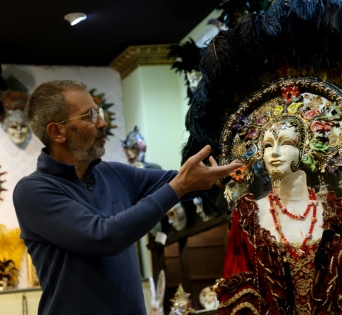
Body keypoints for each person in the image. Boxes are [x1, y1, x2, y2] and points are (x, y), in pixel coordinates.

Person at [181, 0, 342, 314]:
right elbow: (243, 297)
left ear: (304, 148)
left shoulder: (336, 215)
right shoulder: (248, 218)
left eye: (284, 142)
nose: (274, 152)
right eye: (267, 145)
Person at [12, 80, 241, 314]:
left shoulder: (112, 173)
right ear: (57, 132)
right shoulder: (33, 192)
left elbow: (188, 180)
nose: (102, 122)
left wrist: (235, 159)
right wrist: (180, 186)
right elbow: (104, 237)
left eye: (98, 112)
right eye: (89, 115)